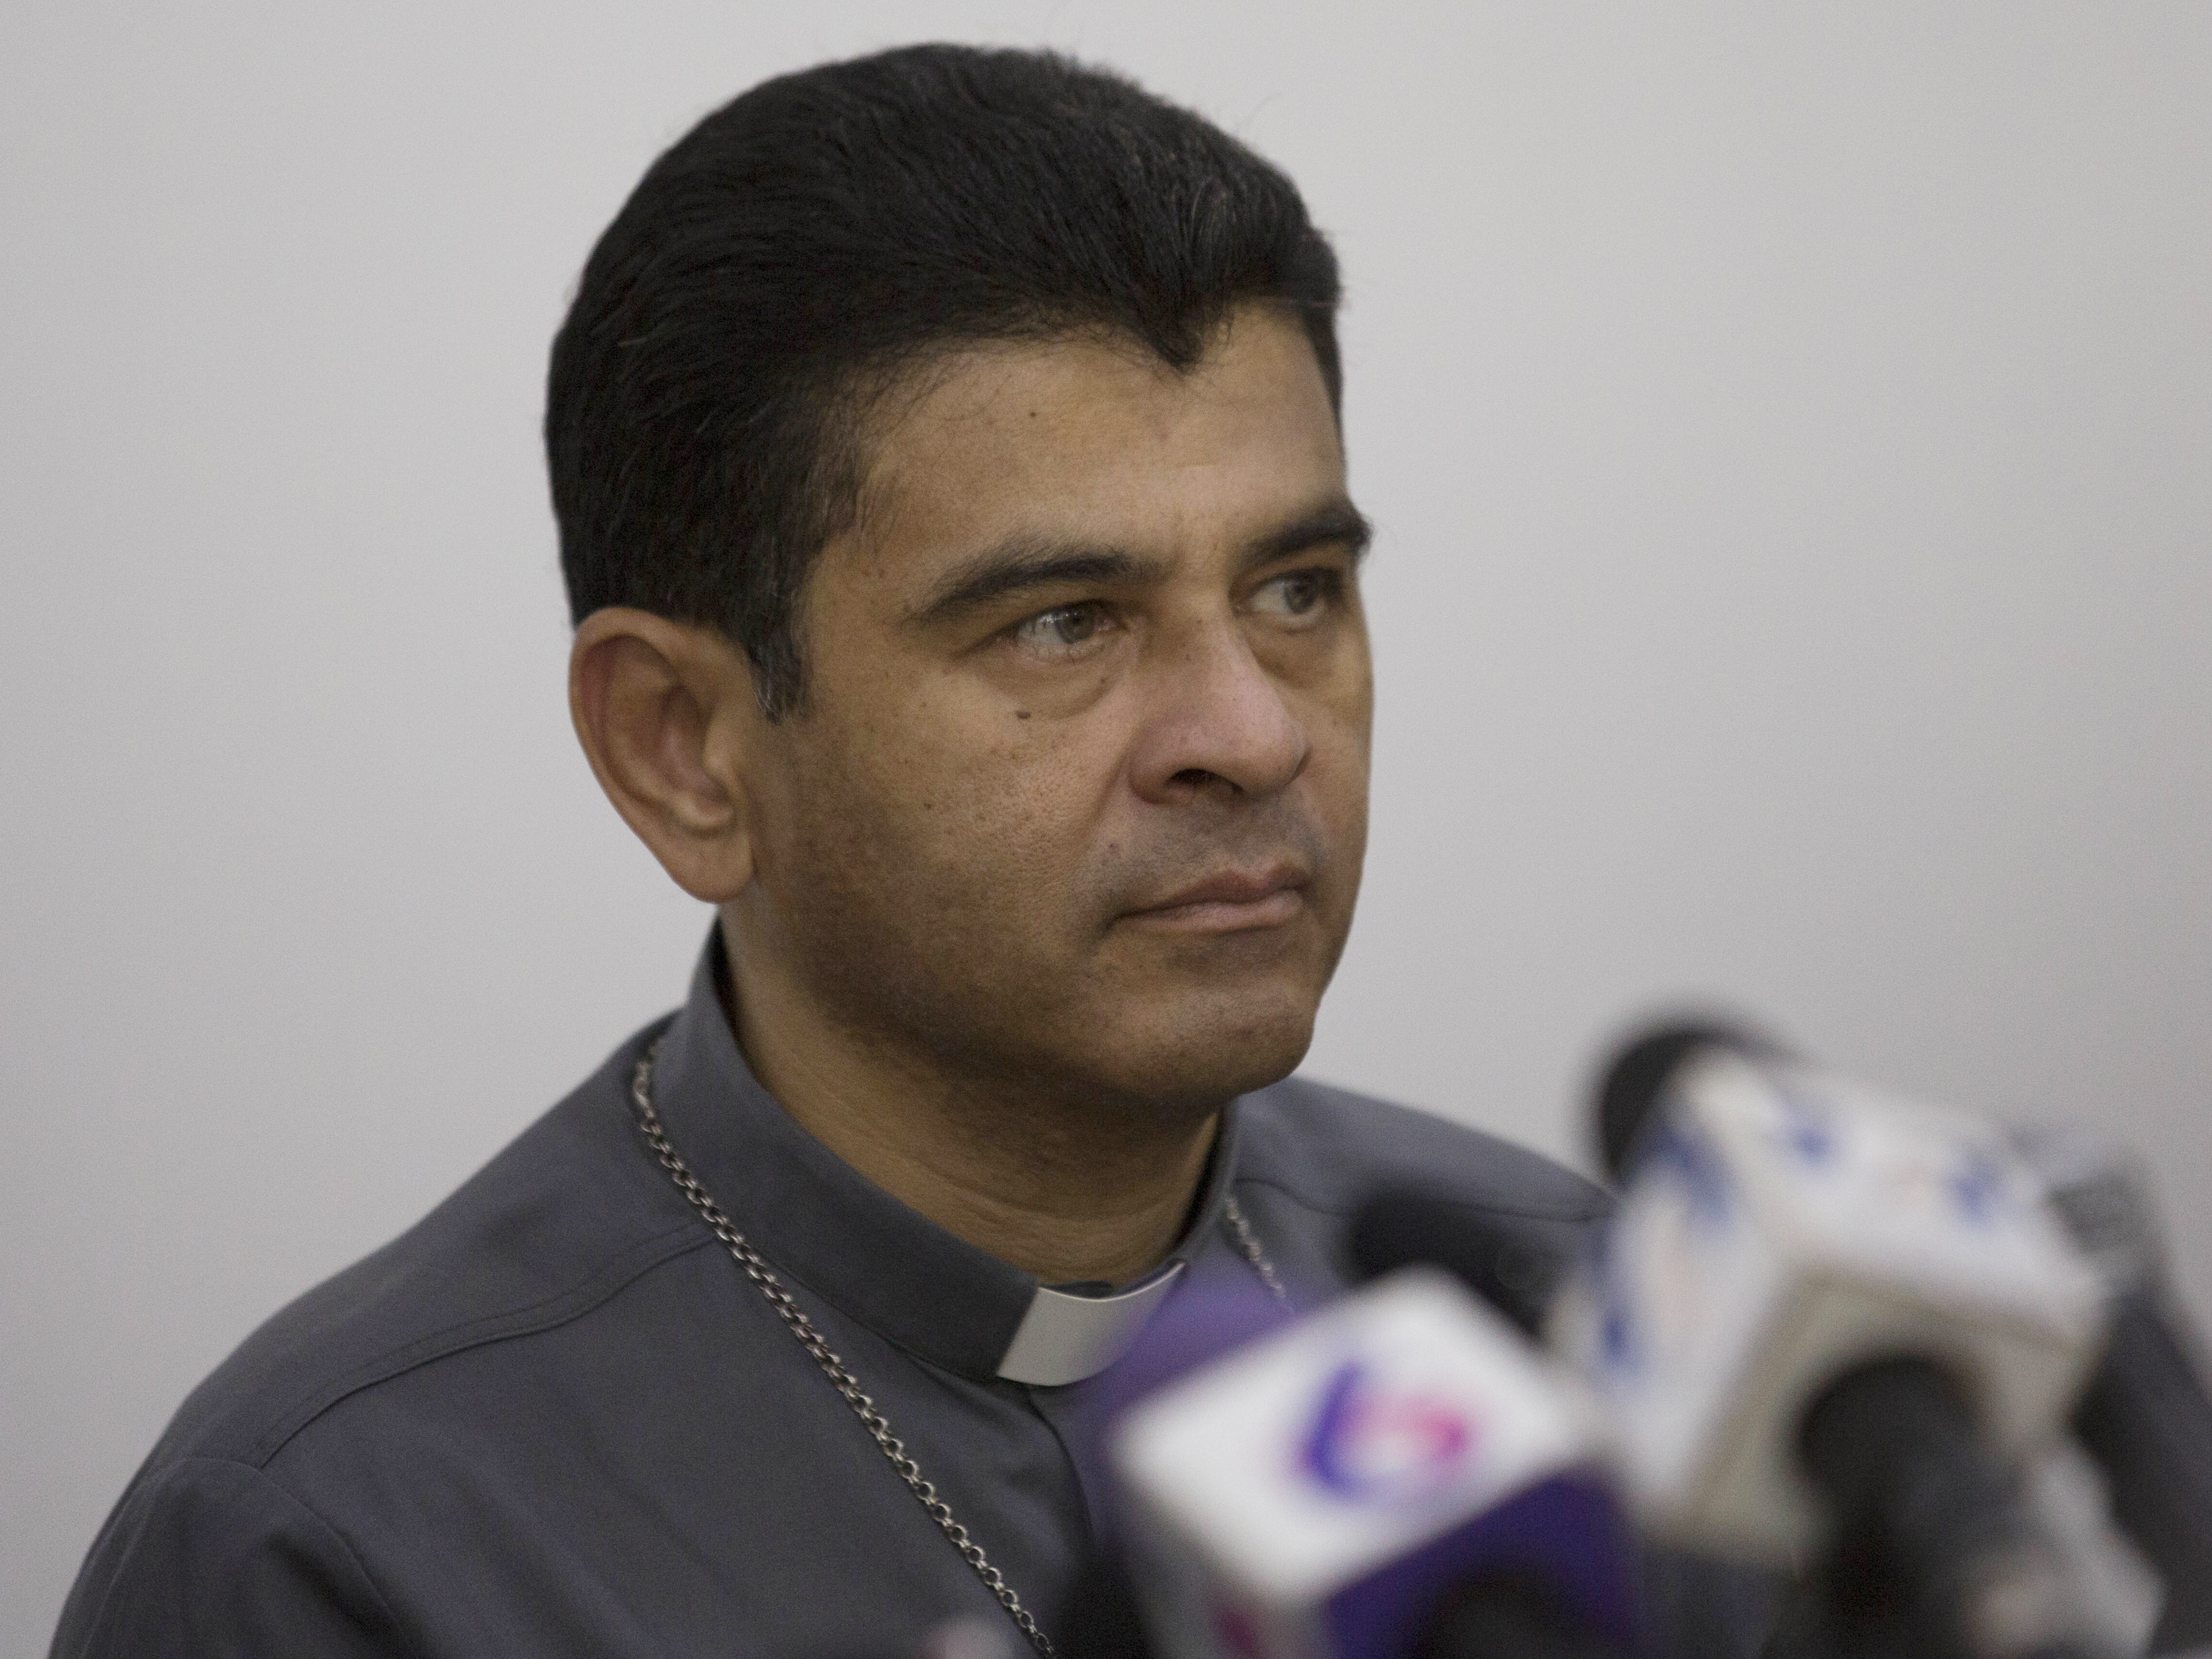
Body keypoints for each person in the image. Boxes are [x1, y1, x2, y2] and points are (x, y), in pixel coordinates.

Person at [50, 44, 1769, 1659]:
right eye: (1061, 625)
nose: (1252, 735)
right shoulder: (336, 1545)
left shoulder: (1592, 1314)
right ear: (685, 749)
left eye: (1296, 591)